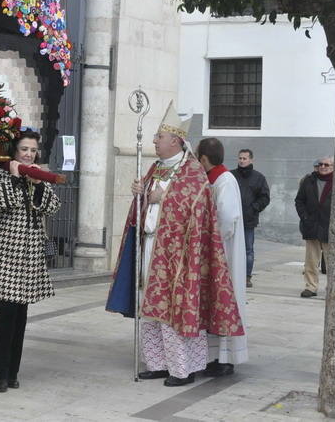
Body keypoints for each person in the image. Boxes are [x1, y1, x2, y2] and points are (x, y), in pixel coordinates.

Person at [105, 102, 243, 387]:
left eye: (159, 136)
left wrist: (163, 198)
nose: (154, 140)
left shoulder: (192, 171)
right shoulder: (155, 167)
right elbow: (145, 206)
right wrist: (141, 194)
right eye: (156, 136)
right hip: (151, 247)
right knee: (150, 306)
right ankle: (157, 363)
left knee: (177, 311)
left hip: (180, 256)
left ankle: (183, 368)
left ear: (176, 141)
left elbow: (196, 208)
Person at [0, 129, 60, 393]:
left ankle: (13, 371)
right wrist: (15, 180)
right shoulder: (1, 174)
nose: (28, 154)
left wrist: (38, 186)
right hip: (6, 254)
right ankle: (0, 373)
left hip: (30, 254)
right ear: (15, 150)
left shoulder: (37, 175)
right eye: (24, 149)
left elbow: (53, 206)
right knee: (6, 312)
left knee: (21, 314)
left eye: (33, 150)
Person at [197, 137, 248, 377]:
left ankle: (225, 359)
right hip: (215, 252)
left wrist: (210, 240)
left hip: (224, 252)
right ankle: (213, 357)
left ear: (203, 159)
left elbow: (227, 218)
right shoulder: (213, 179)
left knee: (224, 301)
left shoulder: (224, 180)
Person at [294, 156, 334, 298]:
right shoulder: (309, 181)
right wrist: (305, 217)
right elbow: (299, 201)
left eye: (326, 164)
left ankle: (333, 288)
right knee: (311, 261)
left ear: (333, 167)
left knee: (332, 262)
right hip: (312, 226)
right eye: (320, 164)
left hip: (330, 227)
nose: (323, 166)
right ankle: (311, 287)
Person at [231, 149, 270, 288]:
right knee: (231, 249)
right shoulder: (230, 176)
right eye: (240, 158)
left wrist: (254, 208)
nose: (242, 161)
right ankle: (231, 275)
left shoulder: (259, 178)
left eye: (245, 158)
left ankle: (247, 276)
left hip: (248, 220)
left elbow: (265, 197)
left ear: (251, 160)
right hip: (232, 219)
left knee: (248, 250)